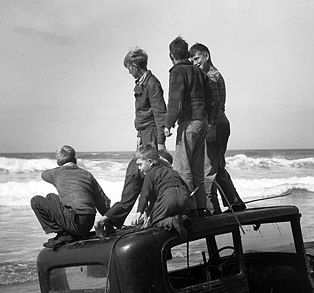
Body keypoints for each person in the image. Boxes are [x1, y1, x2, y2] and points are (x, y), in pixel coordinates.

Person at [95, 48, 172, 237]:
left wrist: (160, 145)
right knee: (137, 175)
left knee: (147, 176)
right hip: (144, 135)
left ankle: (132, 218)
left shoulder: (152, 83)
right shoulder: (141, 83)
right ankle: (114, 218)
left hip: (153, 137)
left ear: (135, 66)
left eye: (129, 68)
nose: (128, 72)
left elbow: (160, 112)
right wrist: (139, 138)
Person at [189, 42, 246, 214]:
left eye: (197, 58)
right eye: (192, 60)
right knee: (217, 166)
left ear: (206, 56)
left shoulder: (211, 77)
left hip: (215, 123)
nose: (195, 62)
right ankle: (235, 203)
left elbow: (214, 105)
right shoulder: (211, 74)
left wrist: (211, 126)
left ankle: (212, 209)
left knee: (208, 169)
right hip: (219, 123)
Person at [164, 36, 213, 216]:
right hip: (203, 121)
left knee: (182, 168)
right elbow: (210, 99)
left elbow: (175, 101)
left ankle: (190, 209)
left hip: (189, 122)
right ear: (186, 53)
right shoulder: (199, 72)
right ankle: (201, 207)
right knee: (197, 169)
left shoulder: (177, 72)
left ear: (171, 56)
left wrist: (167, 124)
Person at [31, 145, 111, 248]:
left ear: (58, 163)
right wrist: (109, 222)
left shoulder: (56, 173)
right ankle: (69, 233)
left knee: (36, 201)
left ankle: (64, 234)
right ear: (75, 159)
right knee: (51, 197)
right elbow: (102, 201)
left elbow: (43, 175)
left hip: (76, 222)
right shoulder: (87, 174)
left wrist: (59, 169)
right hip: (88, 221)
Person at [133, 143, 189, 240]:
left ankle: (172, 222)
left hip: (168, 197)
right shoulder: (171, 171)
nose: (139, 168)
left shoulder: (150, 174)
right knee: (172, 210)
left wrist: (139, 212)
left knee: (154, 221)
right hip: (183, 196)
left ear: (150, 162)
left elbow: (145, 194)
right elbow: (185, 185)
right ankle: (183, 218)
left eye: (140, 164)